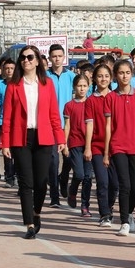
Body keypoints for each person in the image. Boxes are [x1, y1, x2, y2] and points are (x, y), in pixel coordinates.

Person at [0, 45, 66, 239]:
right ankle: (29, 223)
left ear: (38, 60)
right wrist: (5, 143)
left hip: (44, 138)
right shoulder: (13, 85)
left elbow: (54, 114)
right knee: (26, 183)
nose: (26, 61)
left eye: (30, 57)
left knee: (41, 182)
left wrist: (60, 138)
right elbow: (8, 117)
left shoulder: (47, 84)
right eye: (23, 58)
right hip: (21, 139)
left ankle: (37, 212)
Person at [105, 60, 135, 236]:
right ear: (115, 75)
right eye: (121, 73)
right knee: (125, 185)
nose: (124, 76)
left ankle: (129, 212)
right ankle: (124, 221)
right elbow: (108, 126)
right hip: (118, 146)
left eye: (128, 72)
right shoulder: (111, 98)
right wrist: (106, 152)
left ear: (132, 74)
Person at [84, 63, 118, 228]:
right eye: (99, 76)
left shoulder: (116, 97)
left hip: (116, 146)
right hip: (97, 146)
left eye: (106, 76)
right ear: (94, 79)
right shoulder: (91, 101)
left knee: (115, 184)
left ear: (111, 78)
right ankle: (104, 213)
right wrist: (88, 146)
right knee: (102, 181)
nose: (103, 79)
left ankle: (109, 206)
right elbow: (89, 125)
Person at [47, 44, 76, 207]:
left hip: (69, 124)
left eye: (60, 56)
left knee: (69, 159)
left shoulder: (71, 76)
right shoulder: (44, 77)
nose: (57, 59)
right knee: (53, 161)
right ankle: (54, 197)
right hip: (51, 125)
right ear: (50, 58)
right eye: (54, 56)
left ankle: (63, 179)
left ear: (64, 57)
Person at [62, 75, 93, 217]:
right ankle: (72, 190)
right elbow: (67, 126)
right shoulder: (69, 105)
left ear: (88, 86)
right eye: (79, 86)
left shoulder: (91, 103)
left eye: (84, 86)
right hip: (75, 143)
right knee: (79, 174)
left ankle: (85, 205)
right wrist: (65, 144)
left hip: (90, 144)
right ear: (74, 87)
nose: (82, 89)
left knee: (88, 177)